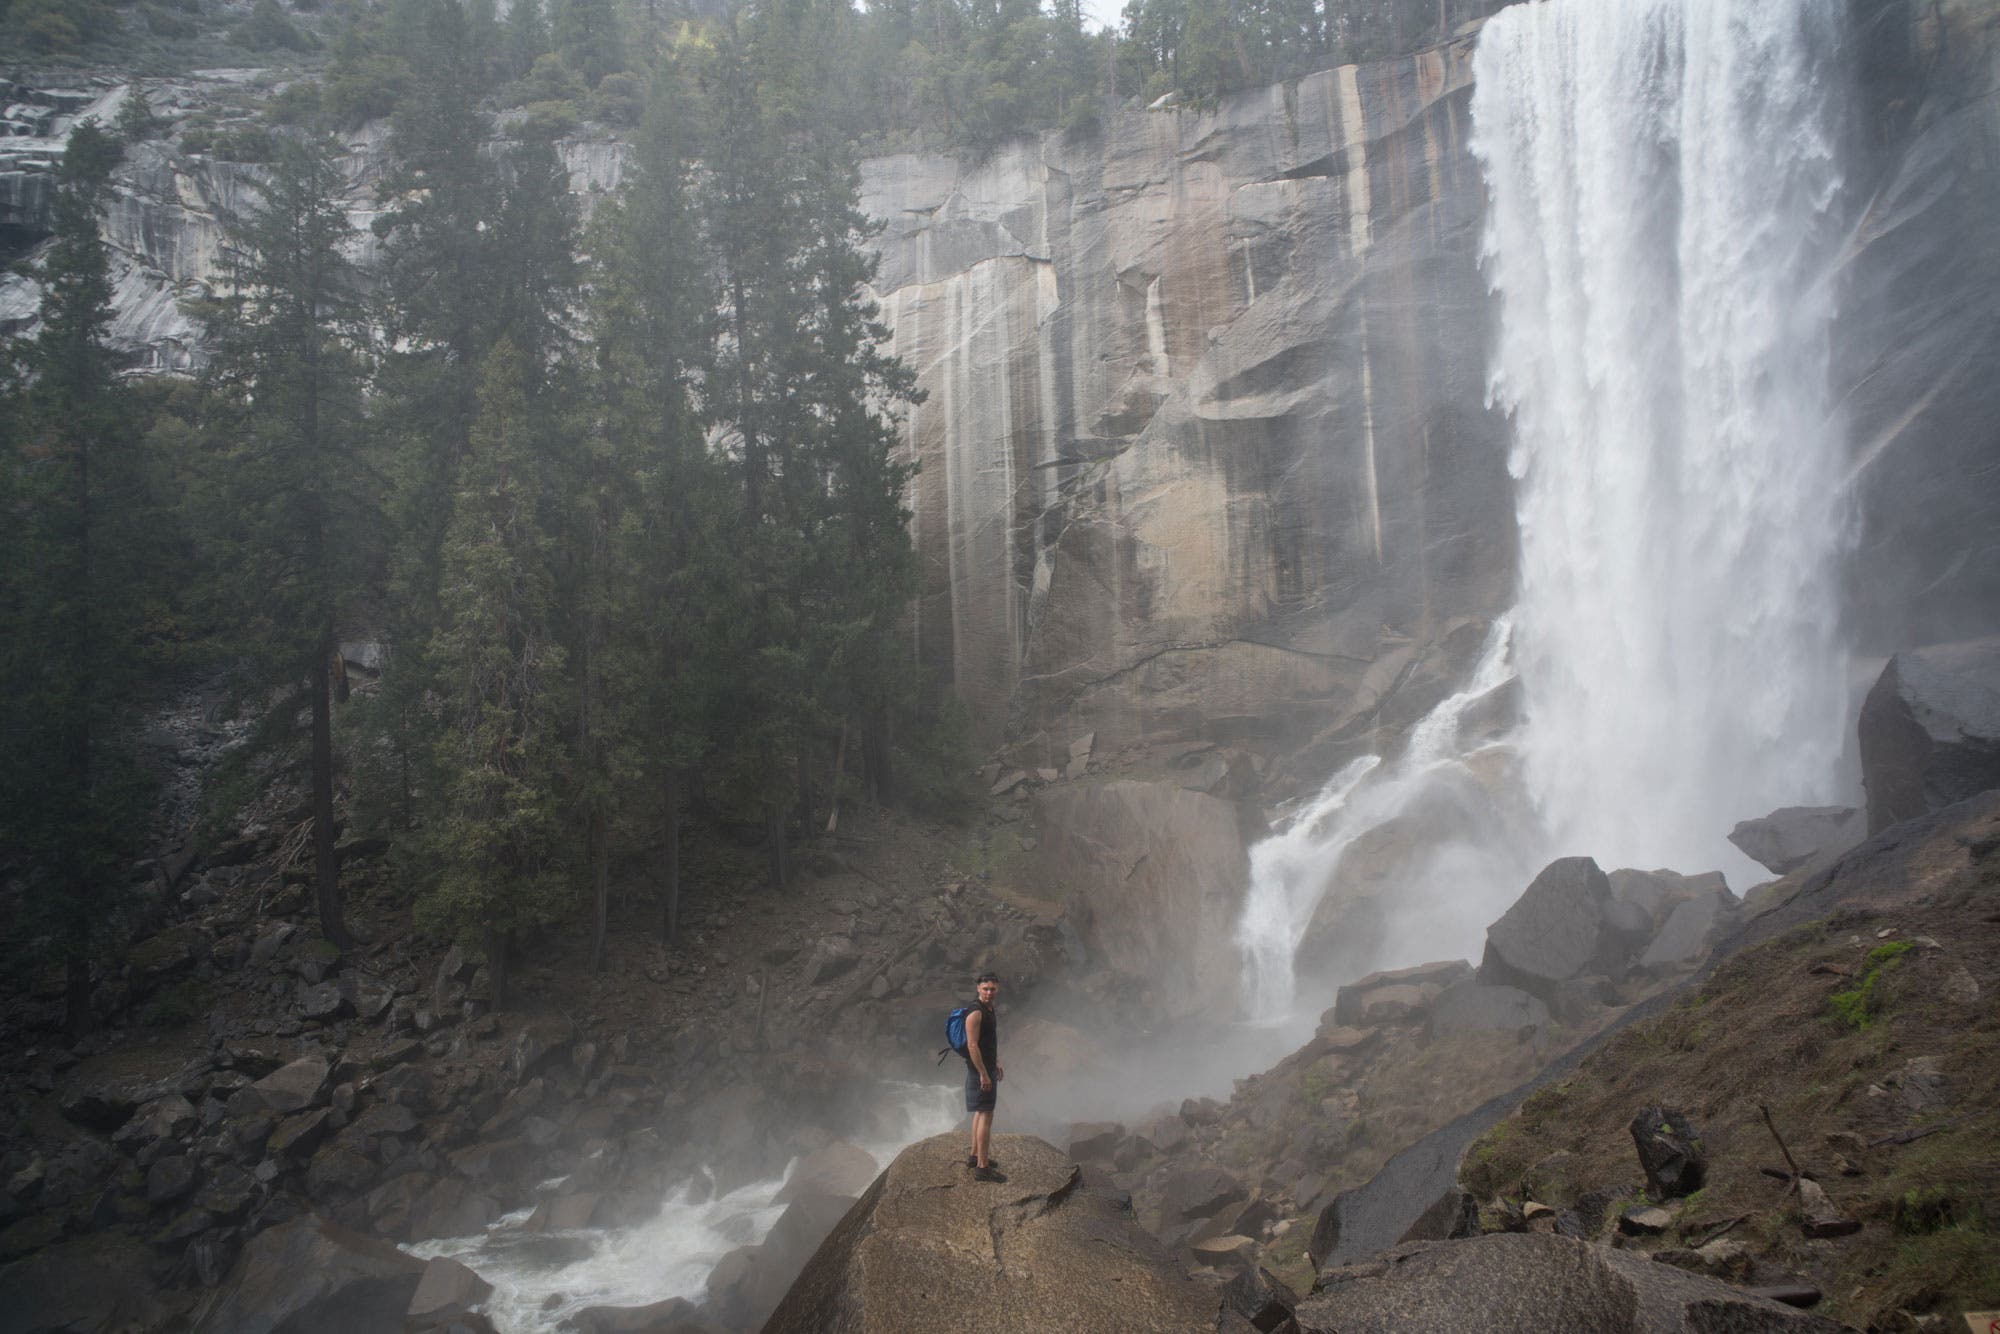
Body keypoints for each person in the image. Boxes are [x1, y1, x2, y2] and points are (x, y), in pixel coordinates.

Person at [963, 972, 1004, 1182]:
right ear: (978, 989)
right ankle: (982, 1167)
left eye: (992, 989)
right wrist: (983, 1075)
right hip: (979, 1071)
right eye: (985, 988)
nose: (989, 992)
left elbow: (988, 1041)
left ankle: (974, 1156)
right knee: (987, 1116)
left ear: (997, 989)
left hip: (986, 1068)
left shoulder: (989, 1008)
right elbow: (972, 1045)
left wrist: (995, 1062)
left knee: (980, 1112)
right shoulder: (976, 1012)